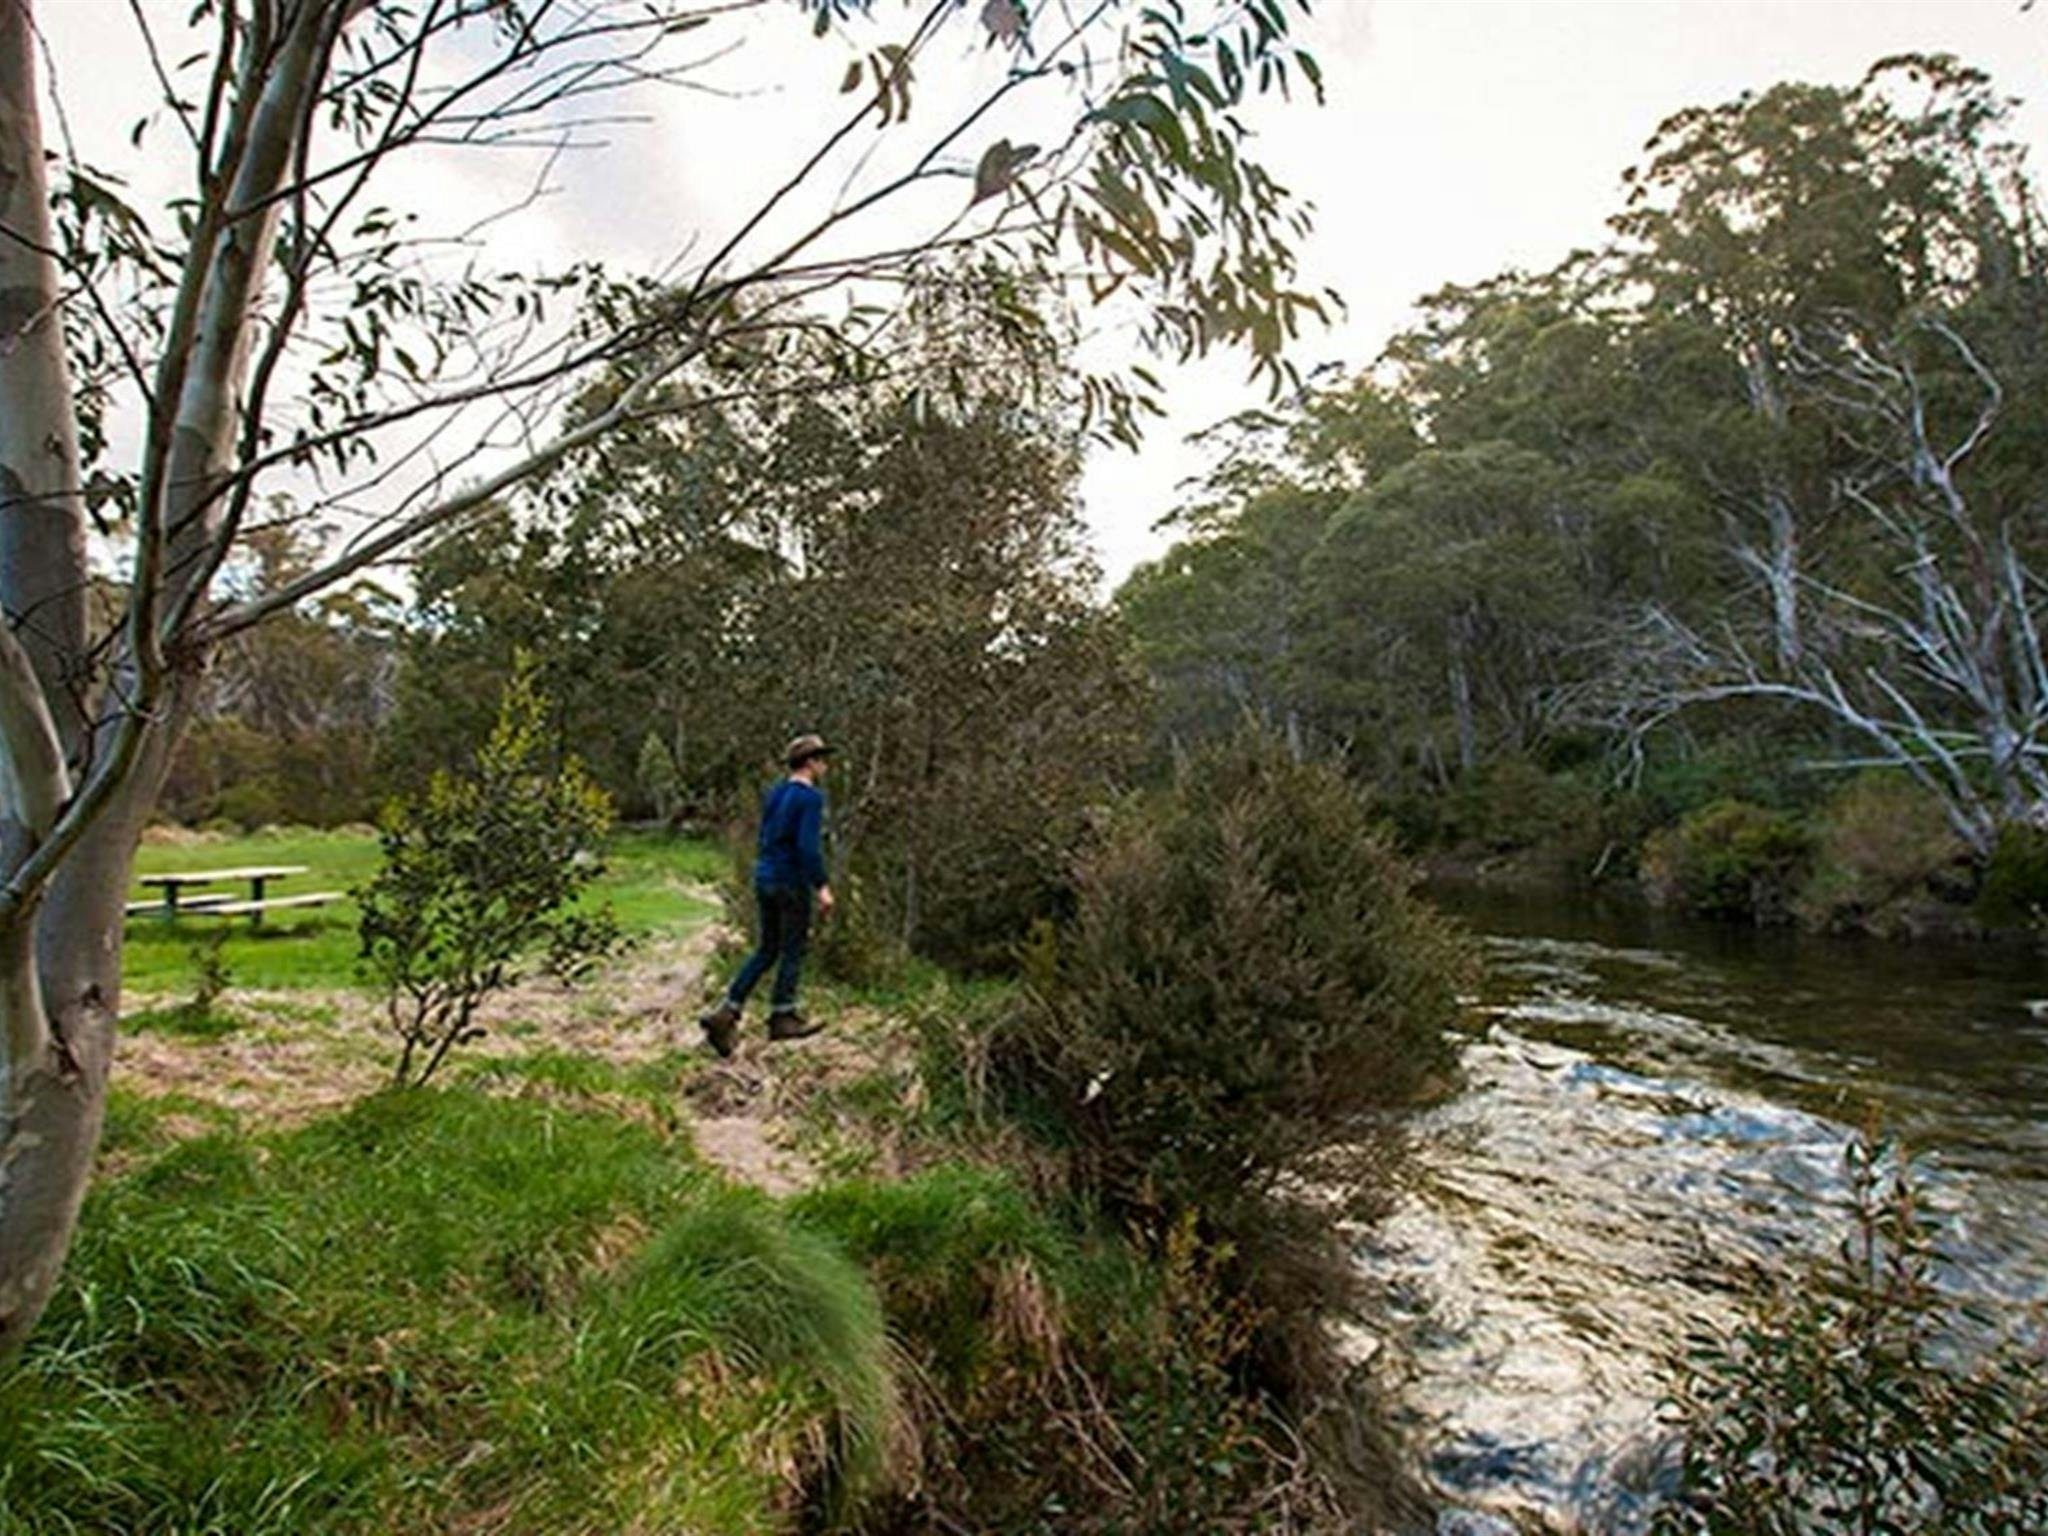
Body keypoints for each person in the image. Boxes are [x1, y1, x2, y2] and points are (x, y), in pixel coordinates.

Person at [698, 734, 837, 1057]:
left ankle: (727, 1011)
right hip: (790, 880)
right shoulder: (810, 798)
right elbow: (807, 847)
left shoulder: (775, 794)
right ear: (811, 762)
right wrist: (822, 886)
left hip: (765, 876)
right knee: (793, 948)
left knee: (767, 948)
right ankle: (782, 1016)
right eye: (822, 759)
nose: (825, 765)